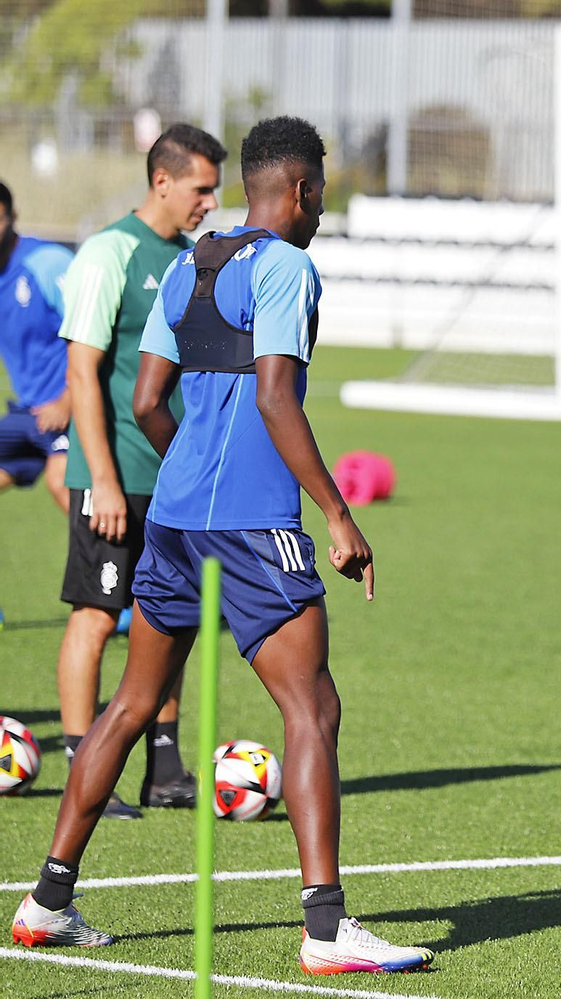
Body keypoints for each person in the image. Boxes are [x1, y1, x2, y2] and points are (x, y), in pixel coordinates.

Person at [11, 115, 435, 973]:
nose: (318, 208)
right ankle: (325, 930)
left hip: (173, 520)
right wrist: (338, 512)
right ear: (302, 189)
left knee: (129, 706)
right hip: (252, 526)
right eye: (318, 192)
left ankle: (46, 899)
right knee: (312, 708)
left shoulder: (188, 261)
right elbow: (278, 398)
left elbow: (147, 401)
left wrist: (193, 475)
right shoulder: (287, 266)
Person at [53, 124, 227, 818]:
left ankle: (164, 764)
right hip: (113, 472)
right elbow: (83, 372)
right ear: (162, 181)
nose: (211, 202)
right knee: (98, 615)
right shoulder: (108, 254)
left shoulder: (191, 259)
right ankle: (79, 759)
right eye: (202, 187)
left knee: (171, 616)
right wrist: (101, 476)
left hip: (172, 475)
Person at [0, 180, 74, 515]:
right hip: (26, 413)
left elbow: (96, 332)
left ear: (13, 216)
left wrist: (68, 400)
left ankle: (114, 566)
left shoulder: (47, 262)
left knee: (61, 481)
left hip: (67, 414)